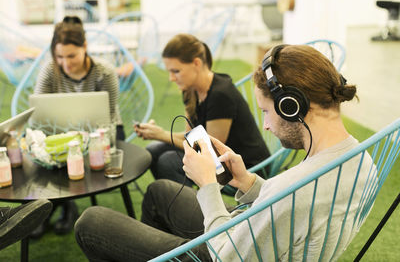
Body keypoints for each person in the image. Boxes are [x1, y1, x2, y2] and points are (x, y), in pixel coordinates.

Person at [74, 44, 373, 261]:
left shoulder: (293, 189)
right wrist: (248, 182)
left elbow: (225, 255)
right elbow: (293, 213)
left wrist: (207, 186)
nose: (266, 125)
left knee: (91, 222)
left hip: (229, 251)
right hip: (260, 237)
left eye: (266, 112)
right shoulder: (362, 158)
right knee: (160, 191)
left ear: (291, 106)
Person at [134, 33, 270, 186]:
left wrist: (162, 135)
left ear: (196, 63)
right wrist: (157, 133)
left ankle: (191, 208)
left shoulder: (221, 94)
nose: (171, 78)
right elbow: (190, 137)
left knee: (169, 161)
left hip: (245, 166)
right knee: (153, 151)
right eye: (169, 72)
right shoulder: (190, 90)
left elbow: (209, 150)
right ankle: (174, 204)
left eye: (176, 71)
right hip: (216, 157)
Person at [32, 16, 123, 238]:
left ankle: (65, 206)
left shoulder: (105, 72)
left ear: (85, 47)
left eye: (71, 55)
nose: (65, 63)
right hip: (59, 131)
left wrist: (84, 137)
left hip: (103, 131)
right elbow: (39, 114)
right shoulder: (49, 70)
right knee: (48, 151)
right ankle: (51, 207)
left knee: (73, 152)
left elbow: (108, 118)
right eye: (59, 56)